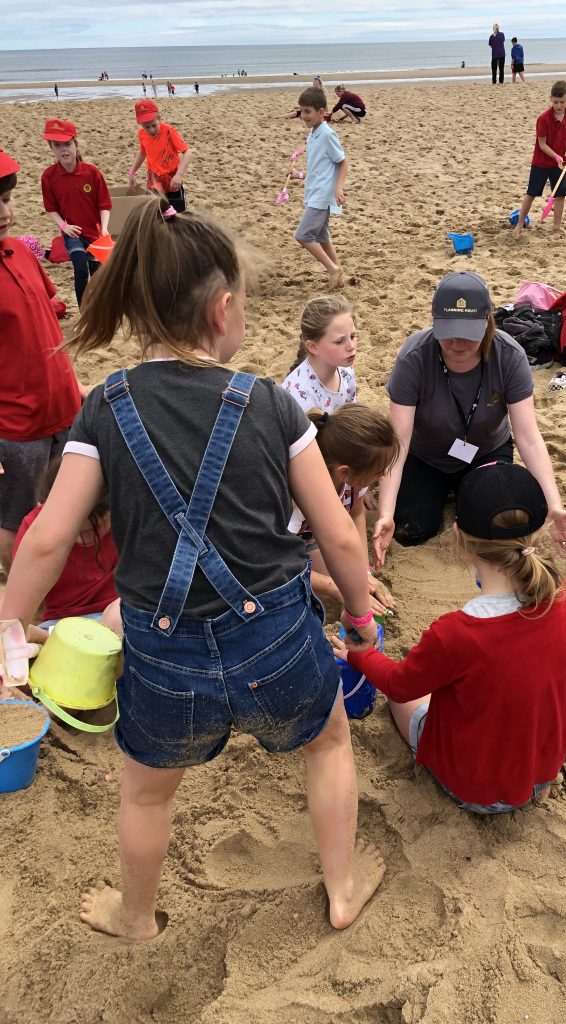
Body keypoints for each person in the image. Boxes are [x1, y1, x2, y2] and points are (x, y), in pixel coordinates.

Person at [0, 197, 385, 940]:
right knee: (328, 741)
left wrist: (9, 634)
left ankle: (136, 914)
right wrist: (362, 622)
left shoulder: (105, 407)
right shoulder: (271, 403)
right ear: (223, 308)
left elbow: (47, 539)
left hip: (164, 651)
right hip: (274, 633)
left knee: (145, 795)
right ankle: (340, 888)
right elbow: (337, 533)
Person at [334, 462, 566, 813]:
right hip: (542, 767)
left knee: (405, 698)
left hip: (480, 793)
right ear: (537, 533)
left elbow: (399, 685)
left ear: (458, 534)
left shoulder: (457, 632)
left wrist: (360, 655)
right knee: (534, 676)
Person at [371, 271, 566, 565]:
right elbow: (399, 440)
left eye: (467, 335)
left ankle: (465, 491)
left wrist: (554, 506)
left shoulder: (508, 355)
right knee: (411, 529)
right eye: (448, 333)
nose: (457, 344)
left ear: (487, 322)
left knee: (498, 525)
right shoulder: (414, 356)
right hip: (426, 457)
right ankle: (447, 493)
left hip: (486, 453)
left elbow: (528, 437)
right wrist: (385, 513)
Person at [0, 149, 83, 576]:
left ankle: (59, 584)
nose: (5, 212)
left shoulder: (19, 251)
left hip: (64, 408)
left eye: (7, 198)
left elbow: (47, 316)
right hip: (16, 426)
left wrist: (74, 385)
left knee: (68, 505)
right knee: (13, 515)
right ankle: (20, 595)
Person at [289, 406, 398, 618]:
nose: (384, 475)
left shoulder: (352, 482)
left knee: (350, 580)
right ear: (345, 472)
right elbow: (277, 565)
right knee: (307, 592)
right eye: (378, 471)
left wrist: (361, 573)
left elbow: (355, 514)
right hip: (274, 552)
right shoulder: (294, 500)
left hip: (312, 537)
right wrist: (336, 588)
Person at [12, 457, 120, 632]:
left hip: (120, 613)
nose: (84, 539)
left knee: (118, 619)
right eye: (74, 530)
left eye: (95, 528)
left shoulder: (129, 518)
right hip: (60, 622)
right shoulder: (35, 527)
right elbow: (25, 606)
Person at [40, 118, 111, 308]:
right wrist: (64, 226)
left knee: (101, 272)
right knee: (80, 269)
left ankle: (102, 308)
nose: (64, 150)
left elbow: (104, 205)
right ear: (52, 149)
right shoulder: (48, 176)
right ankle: (83, 311)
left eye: (67, 144)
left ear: (75, 145)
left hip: (96, 231)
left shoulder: (92, 173)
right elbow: (51, 208)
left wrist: (104, 229)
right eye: (57, 145)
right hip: (73, 233)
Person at [293, 86, 347, 290]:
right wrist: (299, 174)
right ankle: (339, 274)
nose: (303, 116)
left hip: (322, 195)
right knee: (323, 237)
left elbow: (342, 162)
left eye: (307, 111)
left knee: (303, 235)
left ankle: (332, 269)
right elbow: (318, 168)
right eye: (301, 111)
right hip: (314, 191)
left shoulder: (327, 134)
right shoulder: (313, 134)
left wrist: (338, 188)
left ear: (322, 111)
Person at [511, 80, 566, 237]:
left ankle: (557, 226)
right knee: (531, 193)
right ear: (550, 99)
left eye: (562, 102)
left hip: (559, 164)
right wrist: (556, 156)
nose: (559, 105)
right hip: (541, 162)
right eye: (555, 102)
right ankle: (519, 225)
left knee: (560, 194)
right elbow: (542, 144)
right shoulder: (543, 118)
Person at [281, 295, 358, 413]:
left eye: (353, 336)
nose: (351, 346)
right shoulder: (299, 395)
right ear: (313, 347)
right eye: (339, 341)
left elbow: (352, 416)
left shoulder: (346, 372)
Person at [129, 99, 191, 213]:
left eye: (154, 125)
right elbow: (143, 152)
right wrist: (132, 171)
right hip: (154, 178)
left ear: (159, 119)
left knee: (179, 213)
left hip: (172, 177)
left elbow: (187, 153)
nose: (151, 130)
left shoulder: (169, 131)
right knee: (158, 211)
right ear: (141, 124)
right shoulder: (142, 134)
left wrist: (179, 175)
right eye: (147, 127)